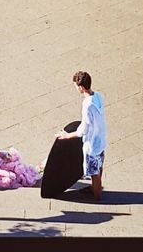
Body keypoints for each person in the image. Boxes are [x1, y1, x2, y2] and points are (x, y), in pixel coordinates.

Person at [57, 70, 106, 199]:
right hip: (101, 139)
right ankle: (96, 188)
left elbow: (84, 128)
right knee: (99, 167)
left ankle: (96, 195)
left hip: (92, 144)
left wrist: (67, 136)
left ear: (81, 87)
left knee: (94, 173)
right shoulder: (98, 96)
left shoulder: (87, 105)